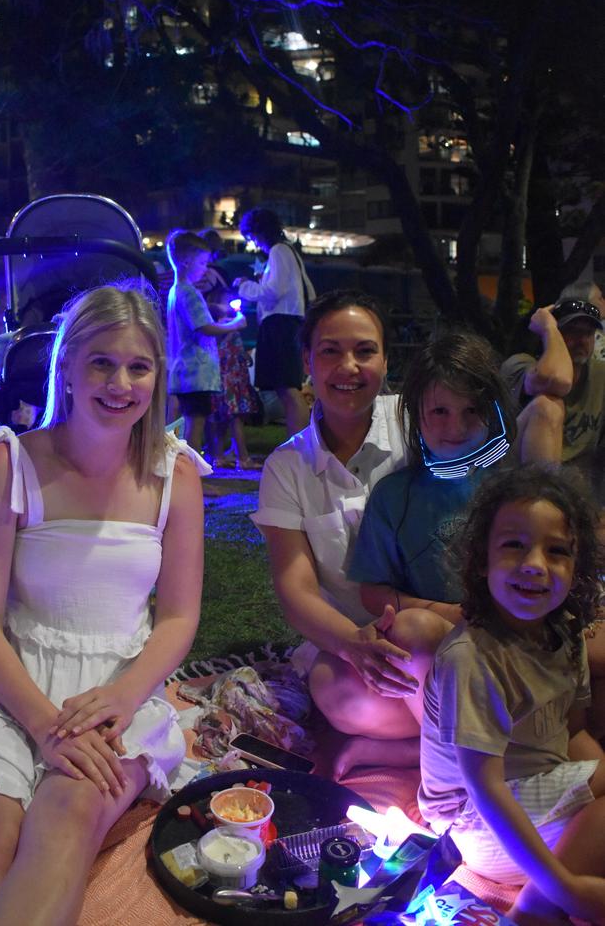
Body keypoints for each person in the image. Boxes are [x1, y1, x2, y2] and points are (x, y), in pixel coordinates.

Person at [0, 284, 208, 926]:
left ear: (157, 375)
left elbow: (178, 617)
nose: (119, 382)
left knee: (64, 827)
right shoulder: (7, 465)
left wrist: (125, 697)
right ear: (65, 367)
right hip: (8, 690)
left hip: (113, 695)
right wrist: (42, 724)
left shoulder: (174, 475)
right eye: (100, 362)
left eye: (138, 366)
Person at [251, 289, 450, 777]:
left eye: (365, 351)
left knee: (416, 635)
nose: (349, 367)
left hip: (441, 625)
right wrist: (353, 645)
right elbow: (296, 590)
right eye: (330, 351)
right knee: (331, 688)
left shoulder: (419, 421)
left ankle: (434, 757)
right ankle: (448, 746)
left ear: (385, 359)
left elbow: (488, 473)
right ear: (307, 362)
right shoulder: (287, 467)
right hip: (359, 645)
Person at [419, 465, 605, 926]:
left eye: (557, 550)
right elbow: (487, 790)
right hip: (475, 821)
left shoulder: (566, 635)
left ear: (577, 568)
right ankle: (537, 908)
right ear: (481, 559)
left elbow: (572, 733)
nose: (535, 564)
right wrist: (568, 887)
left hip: (532, 791)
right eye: (514, 545)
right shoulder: (472, 656)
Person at [350, 330, 564, 628]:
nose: (457, 427)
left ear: (493, 411)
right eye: (440, 411)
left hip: (515, 628)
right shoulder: (393, 496)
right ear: (415, 413)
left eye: (472, 410)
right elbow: (372, 592)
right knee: (413, 630)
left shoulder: (513, 490)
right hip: (439, 633)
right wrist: (447, 614)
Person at [501, 298, 605, 478]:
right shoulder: (519, 365)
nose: (582, 340)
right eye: (572, 331)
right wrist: (548, 328)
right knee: (547, 406)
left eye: (588, 333)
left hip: (578, 489)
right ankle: (546, 502)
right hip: (520, 481)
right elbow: (558, 380)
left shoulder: (599, 374)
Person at [234, 208, 316, 437]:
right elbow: (308, 290)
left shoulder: (279, 251)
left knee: (288, 389)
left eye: (251, 236)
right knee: (288, 388)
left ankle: (298, 447)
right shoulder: (289, 252)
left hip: (281, 324)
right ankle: (299, 446)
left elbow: (273, 292)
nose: (253, 242)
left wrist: (244, 286)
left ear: (260, 231)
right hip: (290, 322)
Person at [166, 229, 246, 452]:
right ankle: (192, 472)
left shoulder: (177, 291)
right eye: (201, 263)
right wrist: (235, 324)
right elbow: (205, 328)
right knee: (195, 422)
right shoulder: (189, 292)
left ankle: (185, 468)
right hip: (196, 371)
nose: (205, 268)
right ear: (185, 261)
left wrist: (215, 309)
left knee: (190, 420)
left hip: (185, 370)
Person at [206, 284, 258, 469]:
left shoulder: (224, 325)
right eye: (224, 300)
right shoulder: (222, 325)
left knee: (224, 419)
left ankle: (219, 456)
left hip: (229, 378)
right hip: (228, 380)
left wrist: (244, 356)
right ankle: (242, 458)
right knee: (234, 419)